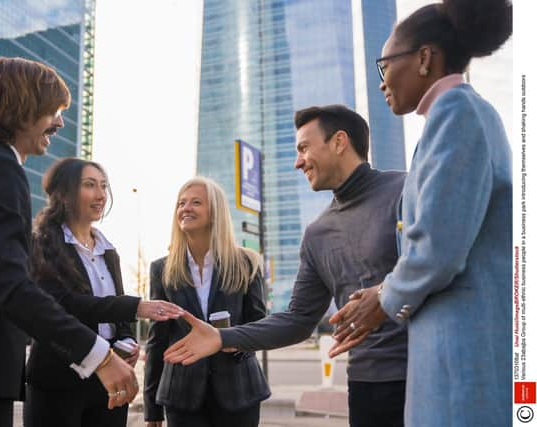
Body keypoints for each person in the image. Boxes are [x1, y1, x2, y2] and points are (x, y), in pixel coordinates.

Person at [0, 57, 178, 427]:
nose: (60, 122)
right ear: (24, 106)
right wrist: (101, 357)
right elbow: (12, 289)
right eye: (54, 110)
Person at [327, 1, 513, 426]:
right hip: (454, 356)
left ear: (424, 58)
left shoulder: (459, 115)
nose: (381, 83)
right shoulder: (450, 118)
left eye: (384, 65)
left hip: (465, 364)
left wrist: (383, 297)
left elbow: (438, 248)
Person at [163, 106, 408, 427]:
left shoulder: (406, 191)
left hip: (429, 372)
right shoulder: (317, 234)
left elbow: (438, 262)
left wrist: (386, 292)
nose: (298, 161)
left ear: (339, 142)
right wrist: (223, 338)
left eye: (304, 148)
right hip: (367, 385)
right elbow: (298, 320)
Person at [24, 158, 183, 427]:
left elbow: (115, 316)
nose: (101, 195)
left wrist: (126, 341)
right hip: (57, 380)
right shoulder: (42, 243)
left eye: (104, 186)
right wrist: (135, 307)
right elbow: (64, 305)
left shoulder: (108, 251)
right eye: (90, 185)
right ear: (64, 193)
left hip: (109, 378)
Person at [144, 176, 270, 427]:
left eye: (196, 202)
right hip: (182, 396)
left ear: (215, 213)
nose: (186, 208)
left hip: (239, 392)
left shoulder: (247, 264)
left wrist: (230, 343)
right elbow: (157, 340)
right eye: (181, 203)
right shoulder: (163, 269)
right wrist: (152, 408)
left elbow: (259, 327)